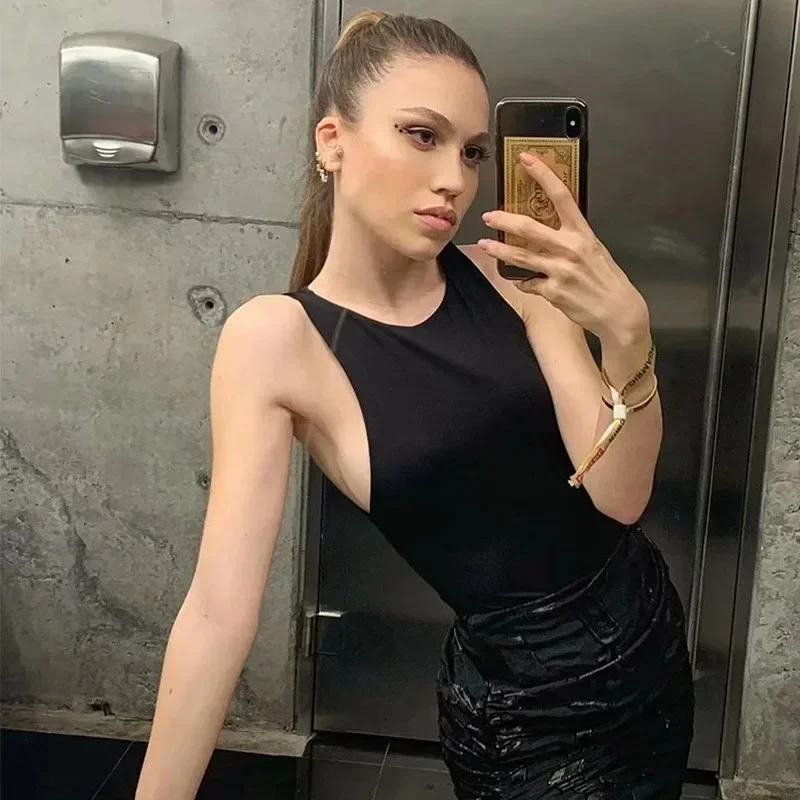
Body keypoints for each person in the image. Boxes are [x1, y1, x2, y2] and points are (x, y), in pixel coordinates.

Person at [135, 10, 694, 800]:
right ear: (332, 141)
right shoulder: (278, 341)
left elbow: (619, 495)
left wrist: (629, 339)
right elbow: (217, 615)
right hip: (524, 719)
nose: (455, 180)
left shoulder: (508, 278)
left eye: (471, 152)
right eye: (421, 135)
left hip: (649, 645)